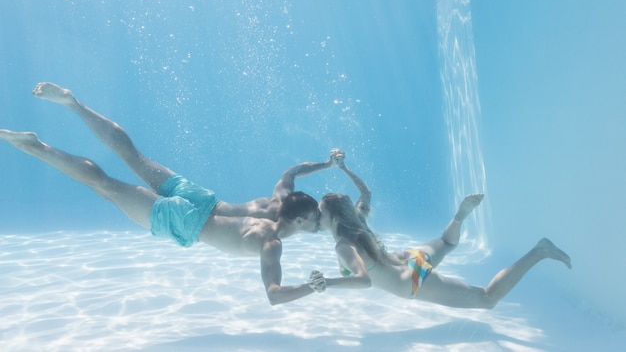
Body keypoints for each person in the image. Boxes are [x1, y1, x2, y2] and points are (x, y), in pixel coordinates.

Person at [0, 82, 337, 305]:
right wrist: (315, 286)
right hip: (190, 223)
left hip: (204, 198)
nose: (319, 222)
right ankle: (37, 147)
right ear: (302, 217)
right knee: (106, 187)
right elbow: (275, 295)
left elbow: (290, 172)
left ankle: (74, 104)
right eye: (317, 219)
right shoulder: (272, 242)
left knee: (135, 157)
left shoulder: (279, 199)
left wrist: (325, 163)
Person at [307, 153, 572, 309]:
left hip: (412, 280)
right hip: (409, 258)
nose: (318, 217)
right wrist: (344, 167)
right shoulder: (358, 221)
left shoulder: (343, 245)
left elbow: (363, 280)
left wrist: (326, 283)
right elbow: (365, 193)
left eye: (321, 212)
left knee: (486, 299)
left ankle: (539, 251)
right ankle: (458, 218)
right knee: (447, 241)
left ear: (333, 216)